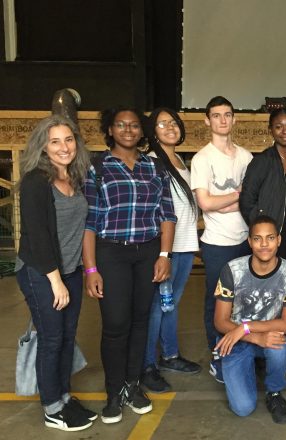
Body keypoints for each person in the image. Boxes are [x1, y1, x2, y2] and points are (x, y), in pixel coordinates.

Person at [83, 107, 176, 424]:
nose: (128, 130)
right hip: (112, 253)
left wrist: (164, 256)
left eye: (134, 125)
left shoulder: (155, 167)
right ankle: (113, 394)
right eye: (121, 125)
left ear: (142, 131)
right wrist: (91, 269)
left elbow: (167, 215)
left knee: (140, 322)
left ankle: (132, 386)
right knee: (115, 325)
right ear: (110, 129)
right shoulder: (97, 167)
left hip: (148, 252)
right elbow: (90, 223)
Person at [15, 115, 95, 431]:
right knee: (51, 339)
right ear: (43, 147)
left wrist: (79, 271)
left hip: (71, 270)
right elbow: (36, 234)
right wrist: (55, 280)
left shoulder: (75, 178)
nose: (64, 147)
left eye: (69, 139)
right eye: (55, 141)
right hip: (42, 272)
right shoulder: (37, 181)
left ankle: (63, 397)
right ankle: (51, 407)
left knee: (66, 337)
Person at [213, 215, 286, 424]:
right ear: (249, 241)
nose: (264, 244)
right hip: (237, 341)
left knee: (279, 345)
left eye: (270, 238)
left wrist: (245, 327)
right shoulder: (232, 269)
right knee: (243, 408)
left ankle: (274, 392)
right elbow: (220, 321)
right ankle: (232, 366)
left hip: (260, 335)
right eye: (258, 239)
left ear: (279, 240)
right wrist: (252, 336)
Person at [239, 107, 286, 377]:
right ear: (271, 130)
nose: (285, 131)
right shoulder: (263, 161)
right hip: (274, 240)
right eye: (279, 126)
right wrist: (263, 235)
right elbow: (247, 200)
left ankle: (285, 351)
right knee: (266, 296)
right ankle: (260, 353)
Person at [190, 96, 253, 383]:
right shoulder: (203, 159)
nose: (223, 120)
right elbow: (205, 202)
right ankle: (217, 355)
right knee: (217, 300)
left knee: (242, 300)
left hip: (244, 239)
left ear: (234, 119)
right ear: (207, 120)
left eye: (227, 114)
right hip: (216, 242)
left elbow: (250, 200)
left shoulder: (246, 157)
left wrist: (223, 201)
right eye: (216, 115)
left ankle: (240, 348)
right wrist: (237, 197)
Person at [141, 107, 201, 393]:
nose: (170, 127)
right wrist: (161, 253)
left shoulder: (178, 160)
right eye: (163, 123)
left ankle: (170, 355)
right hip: (167, 249)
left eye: (174, 122)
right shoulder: (152, 162)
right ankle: (148, 365)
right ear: (153, 132)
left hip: (186, 245)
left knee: (170, 304)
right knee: (156, 306)